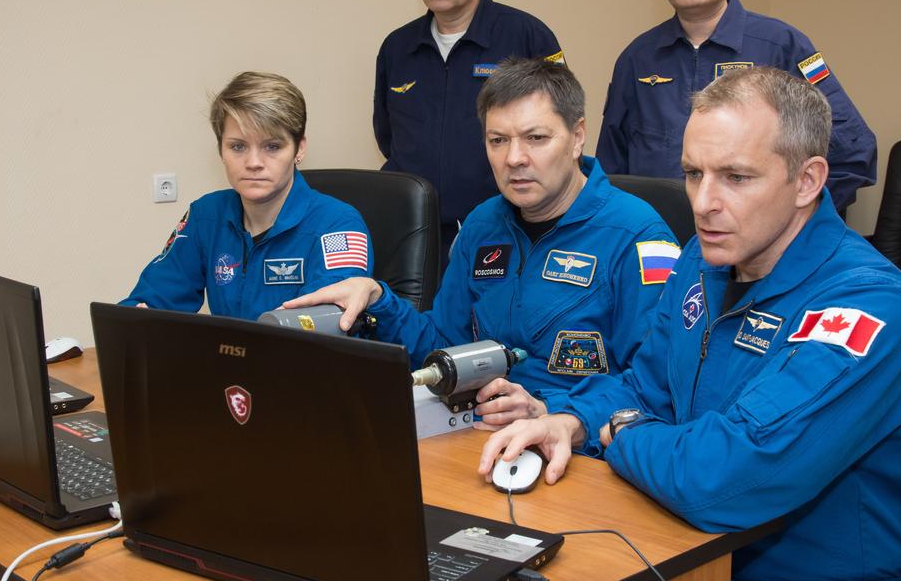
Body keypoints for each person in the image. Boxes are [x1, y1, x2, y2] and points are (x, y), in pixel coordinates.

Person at [480, 66, 901, 581]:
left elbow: (726, 476)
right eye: (694, 173)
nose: (702, 203)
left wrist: (623, 434)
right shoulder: (706, 259)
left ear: (807, 181)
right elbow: (646, 386)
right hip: (685, 556)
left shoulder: (866, 308)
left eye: (737, 177)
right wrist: (575, 420)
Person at [289, 59, 677, 416]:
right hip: (477, 433)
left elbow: (656, 386)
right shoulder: (482, 224)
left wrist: (553, 412)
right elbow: (444, 346)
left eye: (536, 138)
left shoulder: (639, 236)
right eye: (498, 140)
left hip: (582, 447)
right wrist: (379, 299)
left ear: (577, 137)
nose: (514, 159)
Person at [596, 0, 876, 213]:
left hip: (753, 250)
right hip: (661, 241)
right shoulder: (637, 59)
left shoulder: (783, 46)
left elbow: (854, 148)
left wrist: (799, 223)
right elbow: (611, 173)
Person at [374, 0, 564, 253]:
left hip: (505, 229)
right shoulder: (397, 48)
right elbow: (387, 136)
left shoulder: (527, 36)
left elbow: (559, 128)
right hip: (415, 234)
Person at [121, 71, 372, 318]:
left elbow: (322, 324)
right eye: (238, 146)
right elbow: (153, 300)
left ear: (299, 149)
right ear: (220, 150)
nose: (253, 162)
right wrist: (137, 319)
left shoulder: (338, 225)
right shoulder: (206, 215)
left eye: (272, 146)